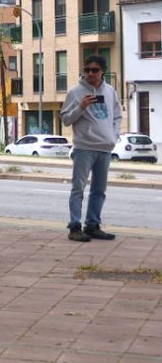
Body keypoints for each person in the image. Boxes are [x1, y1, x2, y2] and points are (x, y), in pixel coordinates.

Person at [61, 54, 121, 242]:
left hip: (105, 148)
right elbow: (65, 119)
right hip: (84, 147)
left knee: (99, 190)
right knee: (78, 188)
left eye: (94, 70)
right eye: (87, 70)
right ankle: (75, 227)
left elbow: (117, 116)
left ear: (103, 71)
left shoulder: (110, 91)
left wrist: (113, 136)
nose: (90, 74)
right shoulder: (75, 92)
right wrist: (81, 106)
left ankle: (93, 225)